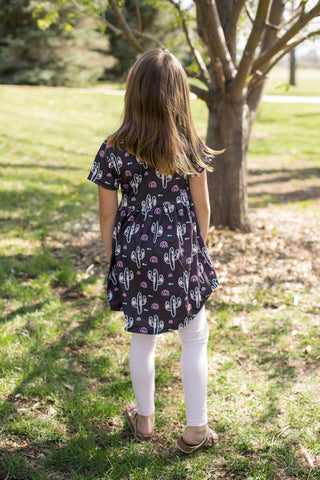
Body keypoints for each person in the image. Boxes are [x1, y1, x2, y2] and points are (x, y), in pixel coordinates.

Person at [87, 49, 219, 453]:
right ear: (179, 95)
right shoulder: (189, 144)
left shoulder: (114, 147)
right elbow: (203, 208)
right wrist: (198, 250)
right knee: (194, 336)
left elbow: (106, 215)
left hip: (134, 251)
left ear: (133, 91)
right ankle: (195, 429)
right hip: (180, 249)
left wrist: (115, 259)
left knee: (141, 337)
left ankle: (144, 419)